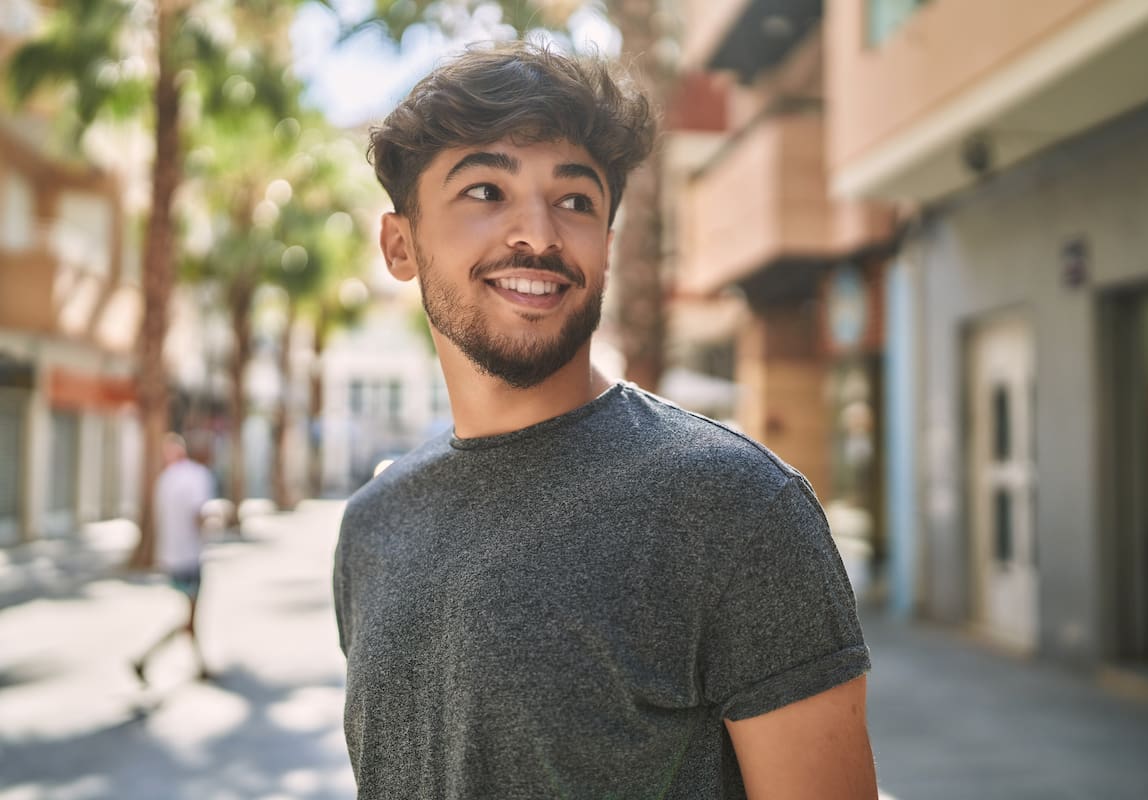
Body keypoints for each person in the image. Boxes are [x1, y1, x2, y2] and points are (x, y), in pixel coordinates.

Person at [334, 42, 877, 799]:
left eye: (576, 200)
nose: (540, 235)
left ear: (608, 249)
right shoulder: (372, 526)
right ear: (401, 245)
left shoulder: (735, 508)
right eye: (486, 191)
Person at [133, 432, 215, 684]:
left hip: (172, 559)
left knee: (188, 615)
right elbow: (198, 515)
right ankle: (144, 658)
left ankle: (199, 665)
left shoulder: (164, 480)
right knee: (189, 617)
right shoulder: (196, 476)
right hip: (190, 558)